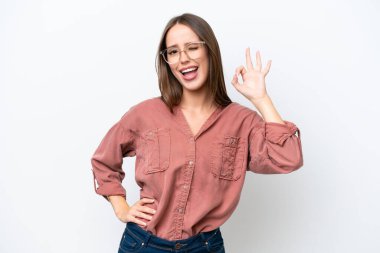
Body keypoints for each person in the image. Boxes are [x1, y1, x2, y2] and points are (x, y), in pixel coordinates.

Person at [91, 12, 303, 253]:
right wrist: (122, 208)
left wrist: (261, 99)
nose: (183, 59)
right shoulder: (145, 114)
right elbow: (103, 160)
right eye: (173, 52)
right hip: (143, 244)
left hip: (203, 247)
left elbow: (289, 158)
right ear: (167, 61)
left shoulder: (242, 121)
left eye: (192, 47)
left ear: (209, 51)